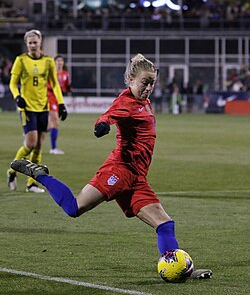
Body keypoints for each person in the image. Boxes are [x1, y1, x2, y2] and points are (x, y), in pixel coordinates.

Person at [10, 54, 212, 279]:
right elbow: (108, 115)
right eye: (145, 82)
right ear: (131, 80)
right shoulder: (126, 102)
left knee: (165, 224)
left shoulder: (144, 101)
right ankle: (41, 174)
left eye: (152, 83)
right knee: (74, 208)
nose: (148, 88)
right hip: (119, 170)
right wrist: (103, 125)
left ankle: (182, 269)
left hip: (137, 178)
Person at [7, 29, 67, 193]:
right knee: (30, 144)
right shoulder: (21, 60)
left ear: (40, 43)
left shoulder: (48, 61)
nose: (33, 45)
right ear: (27, 44)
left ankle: (31, 183)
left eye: (35, 42)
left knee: (39, 146)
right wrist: (17, 96)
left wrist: (61, 104)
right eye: (30, 42)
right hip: (27, 108)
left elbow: (54, 84)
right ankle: (12, 171)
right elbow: (12, 83)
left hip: (43, 107)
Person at [48, 55, 71, 155]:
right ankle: (53, 148)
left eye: (61, 61)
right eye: (57, 61)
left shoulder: (66, 74)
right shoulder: (52, 73)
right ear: (55, 62)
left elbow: (65, 87)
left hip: (58, 99)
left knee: (49, 125)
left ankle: (32, 133)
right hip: (50, 97)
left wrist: (68, 89)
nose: (59, 62)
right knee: (55, 122)